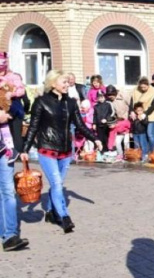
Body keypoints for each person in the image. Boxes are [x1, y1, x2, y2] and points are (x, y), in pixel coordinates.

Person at [20, 70, 102, 233]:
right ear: (53, 84)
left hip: (65, 151)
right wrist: (25, 149)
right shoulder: (41, 102)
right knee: (57, 184)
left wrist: (95, 139)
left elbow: (80, 124)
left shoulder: (71, 103)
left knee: (57, 185)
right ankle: (64, 217)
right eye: (63, 82)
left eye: (67, 82)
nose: (67, 84)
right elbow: (33, 126)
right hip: (47, 149)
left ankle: (50, 212)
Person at [0, 106, 25, 251]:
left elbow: (20, 108)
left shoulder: (8, 87)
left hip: (5, 148)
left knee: (8, 192)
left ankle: (10, 235)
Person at [0, 52, 27, 150]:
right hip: (1, 109)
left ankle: (18, 153)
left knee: (15, 133)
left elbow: (21, 90)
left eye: (2, 70)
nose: (1, 72)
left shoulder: (13, 77)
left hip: (14, 108)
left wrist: (12, 94)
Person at [129, 77, 154, 155]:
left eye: (145, 87)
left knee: (150, 134)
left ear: (148, 85)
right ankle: (144, 152)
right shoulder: (135, 90)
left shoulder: (153, 92)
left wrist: (145, 113)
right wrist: (132, 111)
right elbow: (132, 102)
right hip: (139, 115)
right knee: (143, 135)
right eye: (141, 87)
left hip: (151, 115)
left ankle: (153, 152)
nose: (143, 89)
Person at [105, 85, 131, 160]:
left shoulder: (123, 96)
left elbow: (131, 105)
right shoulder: (109, 101)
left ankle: (127, 154)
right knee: (117, 141)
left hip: (126, 122)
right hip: (118, 123)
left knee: (126, 142)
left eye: (111, 95)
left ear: (115, 93)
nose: (110, 97)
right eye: (108, 95)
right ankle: (120, 154)